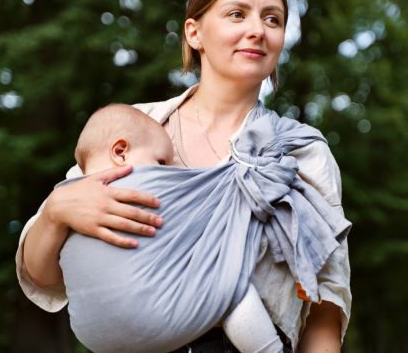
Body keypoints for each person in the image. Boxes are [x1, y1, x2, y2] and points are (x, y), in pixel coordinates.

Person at [16, 0, 351, 352]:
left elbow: (326, 302)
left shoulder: (301, 153)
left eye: (272, 20)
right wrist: (56, 211)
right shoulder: (133, 130)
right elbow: (43, 274)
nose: (257, 30)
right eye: (236, 14)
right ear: (195, 33)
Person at [65, 102, 286, 352]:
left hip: (92, 333)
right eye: (161, 162)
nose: (169, 171)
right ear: (120, 152)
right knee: (229, 283)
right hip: (153, 317)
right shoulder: (143, 188)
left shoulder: (68, 199)